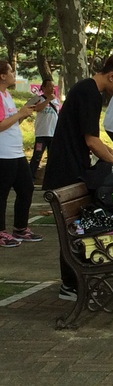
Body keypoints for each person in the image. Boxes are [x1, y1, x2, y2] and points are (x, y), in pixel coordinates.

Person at [43, 53, 113, 300]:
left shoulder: (89, 90)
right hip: (66, 171)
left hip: (73, 168)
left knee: (78, 228)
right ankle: (70, 284)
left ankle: (78, 281)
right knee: (72, 231)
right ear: (112, 76)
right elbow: (92, 141)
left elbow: (93, 139)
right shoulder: (89, 93)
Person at [0, 60, 43, 248]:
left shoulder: (7, 95)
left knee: (26, 188)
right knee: (2, 194)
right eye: (10, 71)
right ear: (2, 76)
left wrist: (22, 114)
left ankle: (20, 228)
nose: (13, 73)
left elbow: (10, 123)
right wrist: (19, 114)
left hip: (16, 152)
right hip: (3, 154)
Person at [29, 79, 60, 182]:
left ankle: (51, 178)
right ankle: (30, 177)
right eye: (49, 86)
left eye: (53, 86)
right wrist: (47, 100)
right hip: (42, 133)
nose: (52, 88)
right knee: (37, 156)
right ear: (43, 87)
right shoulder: (39, 98)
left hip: (53, 133)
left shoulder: (56, 100)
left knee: (53, 157)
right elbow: (37, 109)